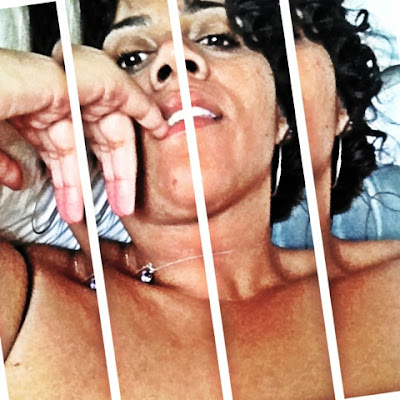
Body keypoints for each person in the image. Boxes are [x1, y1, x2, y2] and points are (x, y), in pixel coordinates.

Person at [1, 1, 399, 399]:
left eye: (218, 39)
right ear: (85, 123)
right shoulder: (24, 298)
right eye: (132, 58)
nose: (173, 56)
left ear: (288, 111)